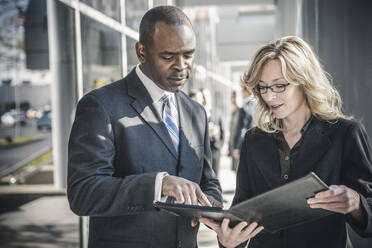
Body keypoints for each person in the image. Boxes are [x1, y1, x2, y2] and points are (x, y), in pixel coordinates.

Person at [67, 6, 222, 248]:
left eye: (188, 55)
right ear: (142, 52)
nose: (182, 66)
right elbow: (83, 192)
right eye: (169, 57)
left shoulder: (196, 113)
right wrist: (159, 185)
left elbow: (207, 180)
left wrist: (214, 210)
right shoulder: (100, 106)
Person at [200, 36, 372, 248]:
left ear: (304, 82)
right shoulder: (253, 140)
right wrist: (227, 242)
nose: (269, 96)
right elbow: (241, 213)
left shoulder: (345, 134)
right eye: (263, 87)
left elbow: (369, 216)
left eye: (279, 86)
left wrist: (356, 203)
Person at [200, 88, 225, 177]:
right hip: (202, 149)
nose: (205, 99)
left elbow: (223, 131)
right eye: (203, 96)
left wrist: (220, 145)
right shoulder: (196, 111)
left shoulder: (217, 112)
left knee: (216, 175)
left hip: (215, 148)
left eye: (206, 96)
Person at [231, 86, 255, 164]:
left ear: (246, 91)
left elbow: (241, 129)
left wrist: (236, 147)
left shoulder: (244, 108)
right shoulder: (257, 106)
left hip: (245, 144)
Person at [228, 91, 240, 171]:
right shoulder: (233, 112)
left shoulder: (243, 112)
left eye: (235, 97)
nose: (233, 99)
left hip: (239, 147)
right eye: (232, 97)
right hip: (233, 145)